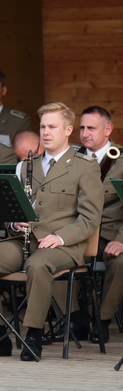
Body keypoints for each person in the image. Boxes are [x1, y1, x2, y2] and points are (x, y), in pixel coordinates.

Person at [0, 102, 102, 361]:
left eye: (52, 126)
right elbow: (13, 208)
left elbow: (90, 218)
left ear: (67, 130)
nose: (46, 132)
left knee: (37, 265)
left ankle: (33, 334)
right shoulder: (27, 164)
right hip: (24, 240)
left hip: (63, 244)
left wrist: (60, 236)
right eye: (42, 126)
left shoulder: (85, 165)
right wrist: (14, 222)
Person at [77, 106, 123, 341]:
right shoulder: (70, 159)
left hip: (110, 232)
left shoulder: (122, 160)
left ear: (108, 130)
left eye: (91, 128)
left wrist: (121, 240)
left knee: (121, 262)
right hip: (77, 232)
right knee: (46, 256)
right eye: (82, 127)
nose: (85, 133)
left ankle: (102, 320)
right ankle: (75, 318)